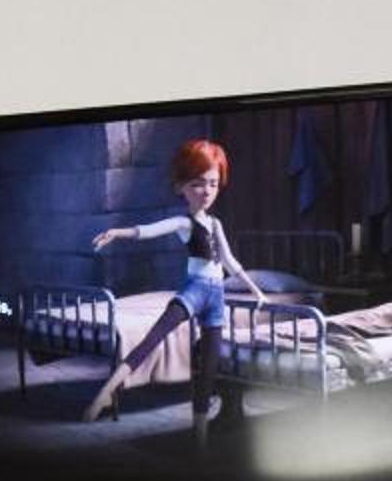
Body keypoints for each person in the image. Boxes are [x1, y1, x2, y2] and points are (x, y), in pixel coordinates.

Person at [82, 137, 268, 423]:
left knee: (208, 369)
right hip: (196, 290)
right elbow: (151, 229)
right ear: (181, 186)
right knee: (153, 337)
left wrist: (256, 291)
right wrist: (118, 232)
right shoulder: (185, 223)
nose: (206, 191)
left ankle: (200, 435)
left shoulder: (215, 224)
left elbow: (229, 262)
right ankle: (107, 391)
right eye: (197, 184)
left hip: (216, 298)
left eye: (213, 184)